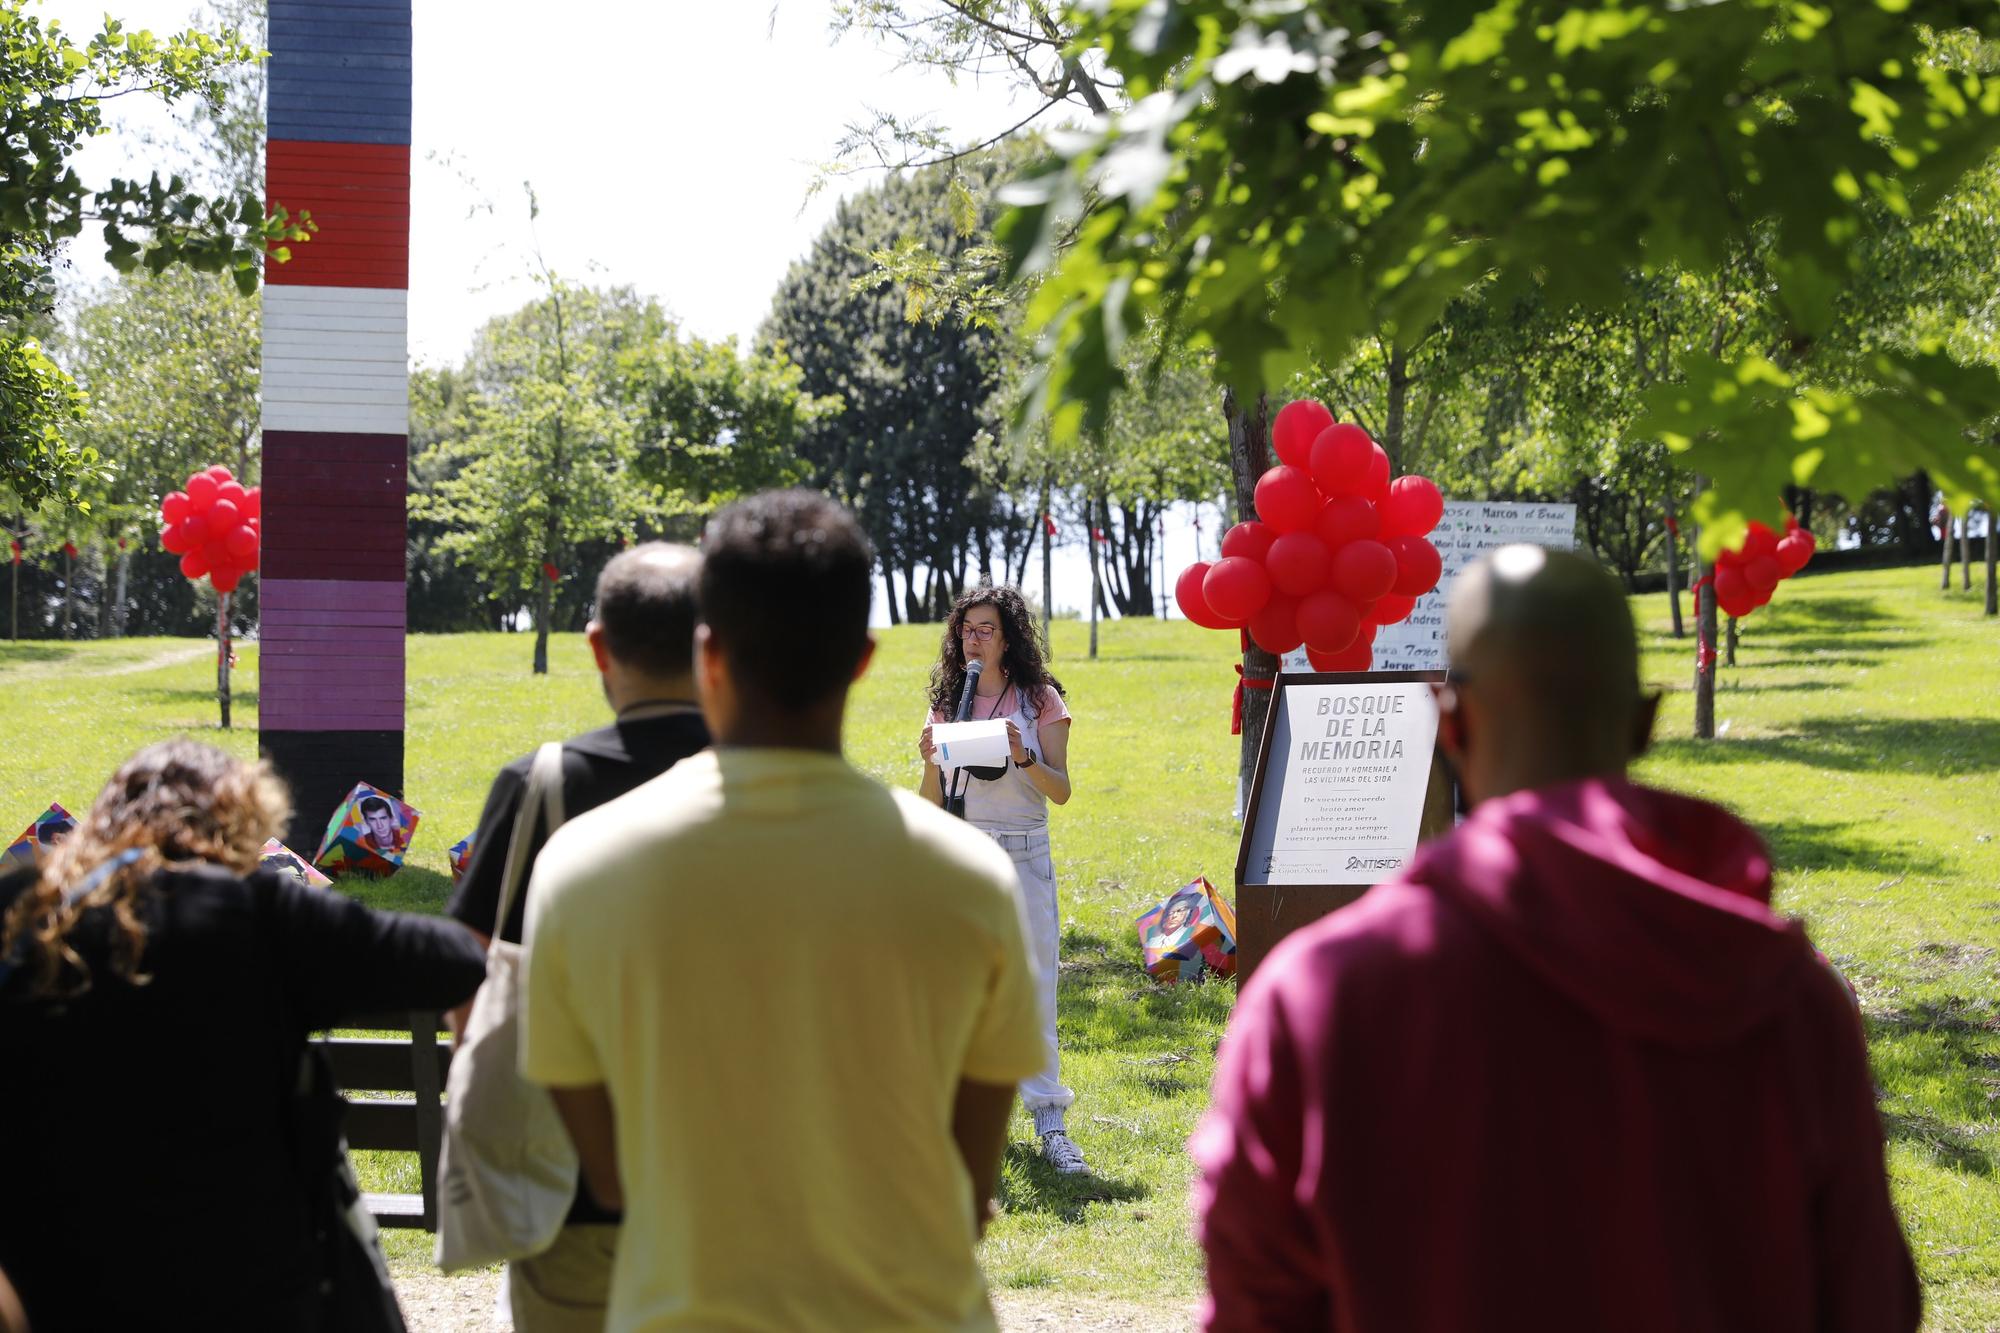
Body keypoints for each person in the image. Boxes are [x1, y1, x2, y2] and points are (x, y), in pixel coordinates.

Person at [1193, 545, 1919, 1332]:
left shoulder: (1316, 1000)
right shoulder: (1795, 1004)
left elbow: (1252, 1310)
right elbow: (1871, 1304)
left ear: (1449, 721)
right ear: (1642, 721)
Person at [521, 490, 1045, 1332]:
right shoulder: (970, 879)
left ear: (708, 653)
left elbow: (612, 1177)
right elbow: (970, 1185)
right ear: (864, 658)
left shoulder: (582, 869)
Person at [0, 740, 486, 1332]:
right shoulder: (254, 912)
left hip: (54, 1287)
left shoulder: (18, 914)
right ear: (243, 827)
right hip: (249, 1285)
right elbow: (458, 962)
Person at [446, 541, 709, 1330]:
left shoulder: (542, 786)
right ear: (715, 644)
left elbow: (466, 970)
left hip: (574, 1194)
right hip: (736, 1195)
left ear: (598, 646)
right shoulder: (773, 784)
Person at [916, 585, 1087, 1174]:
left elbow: (1061, 791)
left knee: (1035, 985)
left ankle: (1051, 1123)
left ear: (1009, 636)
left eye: (986, 628)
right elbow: (931, 804)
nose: (974, 638)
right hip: (965, 858)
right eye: (966, 629)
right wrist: (930, 762)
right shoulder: (949, 701)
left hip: (1024, 854)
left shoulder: (1039, 700)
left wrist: (1024, 758)